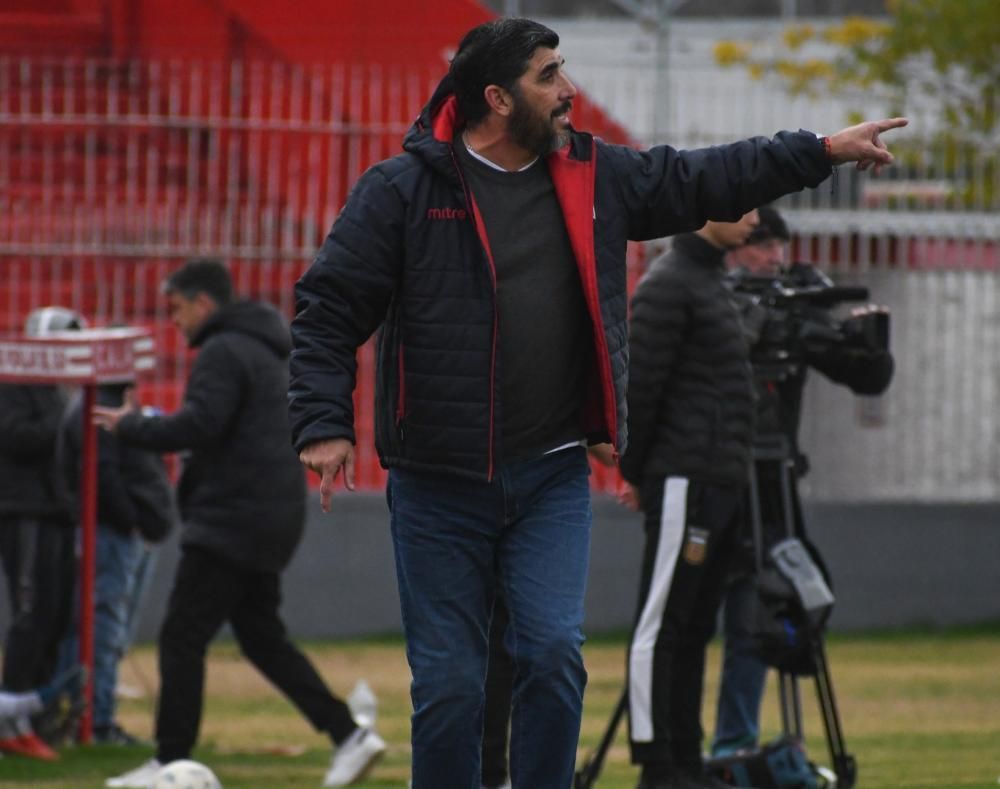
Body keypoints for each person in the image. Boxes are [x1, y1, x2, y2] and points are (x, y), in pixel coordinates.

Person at [286, 17, 905, 788]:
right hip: (437, 484)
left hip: (549, 474)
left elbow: (703, 177)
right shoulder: (401, 191)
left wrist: (821, 151)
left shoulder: (595, 175)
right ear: (497, 98)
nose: (568, 90)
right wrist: (323, 421)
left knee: (552, 656)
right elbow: (328, 309)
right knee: (450, 684)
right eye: (548, 76)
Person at [96, 260, 384, 789]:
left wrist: (133, 427)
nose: (174, 320)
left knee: (182, 637)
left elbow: (201, 425)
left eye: (177, 308)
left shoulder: (223, 351)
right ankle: (348, 734)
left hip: (231, 518)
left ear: (203, 303)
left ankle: (170, 763)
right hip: (269, 515)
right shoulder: (263, 349)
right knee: (261, 638)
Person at [711, 206, 895, 757]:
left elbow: (864, 377)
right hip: (709, 478)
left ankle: (736, 747)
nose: (775, 259)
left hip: (773, 482)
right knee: (686, 618)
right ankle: (683, 751)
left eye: (780, 248)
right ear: (732, 249)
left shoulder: (790, 309)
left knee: (764, 606)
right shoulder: (703, 299)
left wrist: (867, 342)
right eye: (763, 247)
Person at [619, 213, 765, 789]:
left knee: (697, 625)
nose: (755, 219)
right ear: (708, 209)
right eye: (745, 207)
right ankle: (656, 765)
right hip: (684, 480)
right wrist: (634, 471)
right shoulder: (669, 282)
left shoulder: (709, 280)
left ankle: (685, 757)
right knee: (661, 624)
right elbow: (641, 387)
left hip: (719, 484)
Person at [55, 381, 178, 746]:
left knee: (106, 626)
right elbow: (102, 474)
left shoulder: (106, 406)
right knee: (103, 626)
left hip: (123, 533)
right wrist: (131, 520)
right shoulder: (97, 409)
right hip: (113, 535)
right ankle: (96, 719)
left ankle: (87, 715)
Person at [0, 306, 85, 761]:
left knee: (55, 615)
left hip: (56, 510)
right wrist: (68, 420)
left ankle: (36, 714)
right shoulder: (14, 382)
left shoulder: (62, 390)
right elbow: (15, 437)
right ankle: (9, 717)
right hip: (25, 509)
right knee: (31, 613)